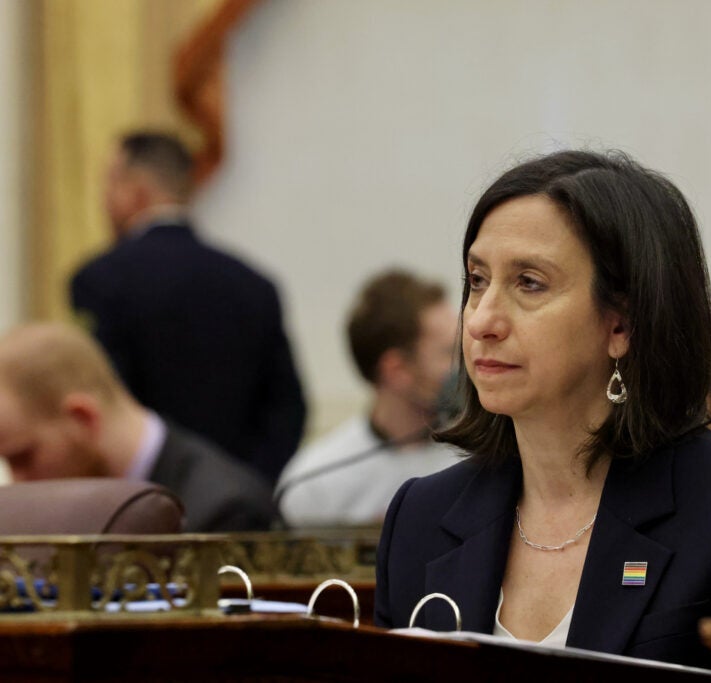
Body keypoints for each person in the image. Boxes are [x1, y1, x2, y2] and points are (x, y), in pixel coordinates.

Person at [374, 150, 711, 668]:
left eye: (529, 283)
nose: (482, 321)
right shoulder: (421, 517)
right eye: (476, 280)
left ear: (621, 324)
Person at [70, 131, 306, 484]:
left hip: (143, 505)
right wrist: (245, 485)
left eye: (109, 183)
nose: (104, 199)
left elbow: (106, 402)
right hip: (240, 510)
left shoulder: (101, 279)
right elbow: (288, 409)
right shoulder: (254, 284)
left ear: (135, 191)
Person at [0, 323, 276, 532]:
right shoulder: (71, 513)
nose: (17, 480)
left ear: (83, 419)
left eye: (23, 457)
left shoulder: (227, 513)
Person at [276, 270, 460, 527]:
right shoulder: (312, 483)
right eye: (448, 353)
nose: (467, 366)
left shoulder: (479, 459)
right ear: (396, 370)